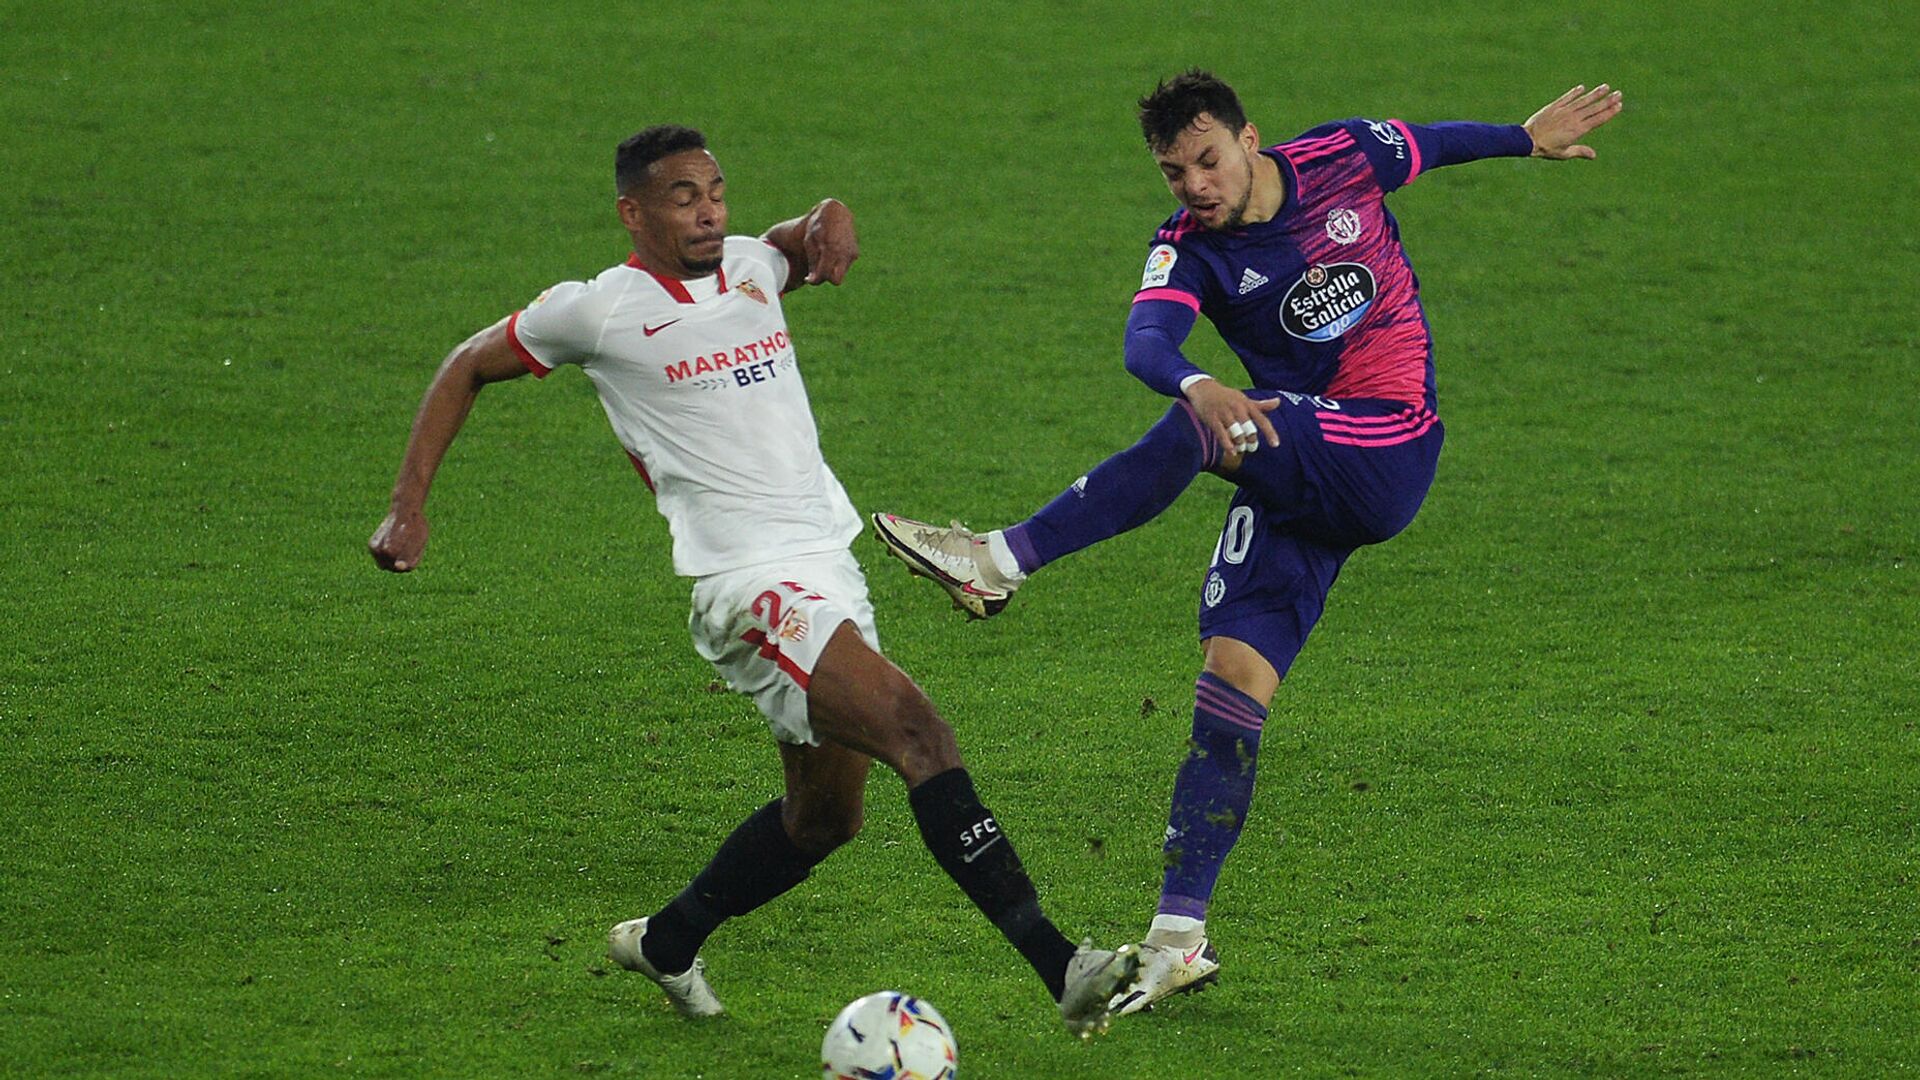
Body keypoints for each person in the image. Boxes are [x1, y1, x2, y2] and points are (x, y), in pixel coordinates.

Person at [873, 72, 1622, 1014]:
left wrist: (1523, 136)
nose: (1193, 183)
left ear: (1250, 139)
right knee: (1230, 683)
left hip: (1385, 441)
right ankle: (1179, 935)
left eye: (1208, 159)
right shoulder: (1186, 250)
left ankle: (999, 560)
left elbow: (1429, 142)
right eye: (1172, 170)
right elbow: (1146, 346)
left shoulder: (1344, 158)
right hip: (1301, 466)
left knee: (1212, 430)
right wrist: (1194, 379)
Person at [367, 125, 1139, 1037]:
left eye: (717, 191)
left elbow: (786, 248)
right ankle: (1064, 967)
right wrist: (408, 504)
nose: (708, 211)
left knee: (824, 822)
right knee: (919, 732)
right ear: (633, 212)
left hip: (828, 565)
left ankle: (665, 941)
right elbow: (467, 364)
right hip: (745, 585)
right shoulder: (597, 311)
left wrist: (825, 218)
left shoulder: (745, 267)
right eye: (683, 196)